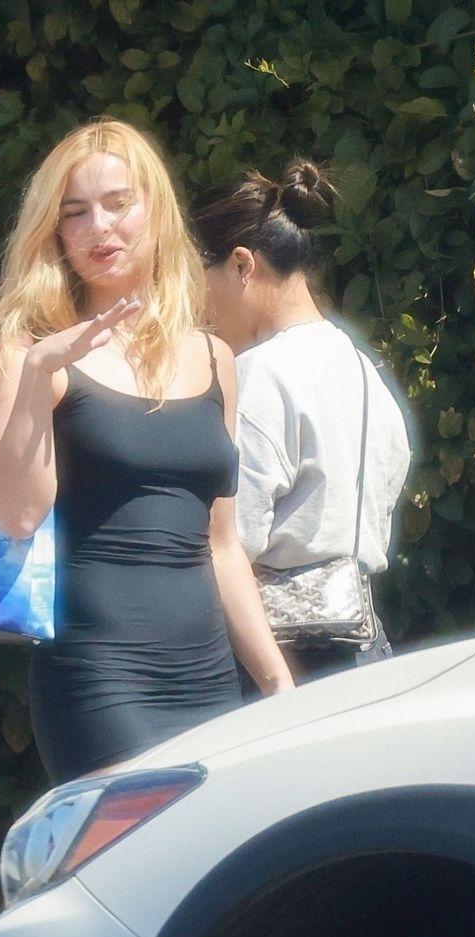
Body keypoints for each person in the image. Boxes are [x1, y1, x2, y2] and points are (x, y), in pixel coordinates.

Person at [0, 119, 294, 785]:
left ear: (155, 212)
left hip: (207, 672)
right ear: (54, 232)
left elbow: (221, 544)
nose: (99, 227)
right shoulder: (27, 351)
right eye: (75, 212)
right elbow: (14, 516)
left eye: (118, 203)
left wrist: (276, 681)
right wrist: (38, 376)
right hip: (98, 674)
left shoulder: (214, 357)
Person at [195, 159, 414, 681]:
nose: (199, 310)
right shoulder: (363, 370)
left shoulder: (257, 375)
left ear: (241, 266)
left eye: (199, 285)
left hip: (281, 656)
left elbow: (230, 542)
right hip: (364, 643)